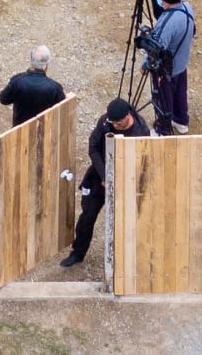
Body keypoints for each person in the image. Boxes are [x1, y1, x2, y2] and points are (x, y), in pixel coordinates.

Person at [59, 98, 148, 268]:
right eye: (112, 122)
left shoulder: (140, 132)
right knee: (87, 216)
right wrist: (105, 174)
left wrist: (122, 179)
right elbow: (93, 147)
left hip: (126, 180)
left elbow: (141, 162)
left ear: (127, 116)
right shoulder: (105, 122)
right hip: (99, 177)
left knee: (126, 221)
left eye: (119, 123)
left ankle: (125, 260)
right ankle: (78, 253)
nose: (115, 126)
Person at [148, 0, 196, 136]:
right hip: (182, 62)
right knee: (180, 93)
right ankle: (181, 121)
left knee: (163, 98)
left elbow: (157, 47)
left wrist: (146, 64)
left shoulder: (168, 21)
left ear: (165, 1)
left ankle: (163, 129)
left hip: (167, 68)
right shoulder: (187, 7)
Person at [0, 46, 66, 127]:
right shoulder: (55, 88)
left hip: (19, 132)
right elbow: (62, 109)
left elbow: (3, 99)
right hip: (44, 132)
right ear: (46, 66)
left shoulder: (17, 81)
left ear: (31, 61)